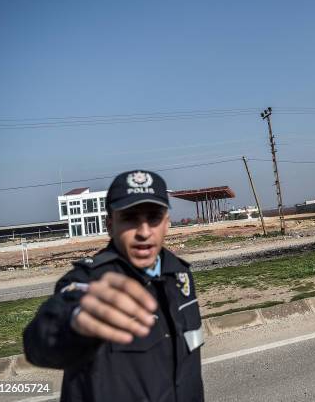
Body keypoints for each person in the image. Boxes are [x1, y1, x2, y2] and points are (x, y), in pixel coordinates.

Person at [23, 170, 204, 402]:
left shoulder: (180, 274)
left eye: (154, 217)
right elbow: (41, 340)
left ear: (167, 223)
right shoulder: (91, 280)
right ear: (110, 225)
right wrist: (74, 321)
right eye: (130, 218)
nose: (144, 232)